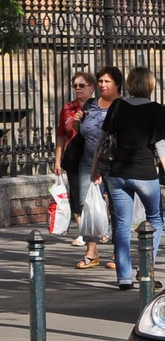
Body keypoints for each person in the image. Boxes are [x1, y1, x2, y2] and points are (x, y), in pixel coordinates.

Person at [93, 66, 165, 290]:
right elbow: (160, 146)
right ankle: (146, 270)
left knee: (122, 224)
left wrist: (95, 170)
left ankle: (123, 277)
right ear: (150, 85)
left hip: (118, 173)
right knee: (156, 220)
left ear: (129, 84)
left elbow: (101, 141)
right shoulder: (155, 109)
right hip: (144, 173)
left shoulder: (117, 106)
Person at [73, 66, 122, 270]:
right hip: (89, 162)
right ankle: (91, 251)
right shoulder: (91, 104)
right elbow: (81, 132)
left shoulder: (122, 105)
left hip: (115, 164)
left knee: (118, 209)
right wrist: (77, 123)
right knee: (88, 206)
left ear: (117, 85)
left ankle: (118, 253)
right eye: (100, 81)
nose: (102, 85)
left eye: (107, 81)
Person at [54, 72, 94, 239]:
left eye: (81, 85)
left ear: (91, 88)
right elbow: (61, 135)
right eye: (75, 85)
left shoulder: (97, 107)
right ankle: (82, 231)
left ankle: (98, 226)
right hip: (74, 156)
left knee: (96, 193)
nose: (78, 89)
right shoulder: (67, 108)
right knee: (76, 193)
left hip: (93, 155)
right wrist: (57, 160)